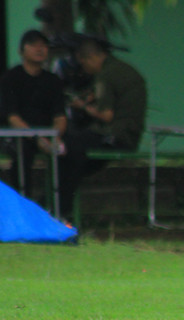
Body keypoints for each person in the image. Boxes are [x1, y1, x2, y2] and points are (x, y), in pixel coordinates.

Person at [60, 36, 147, 217]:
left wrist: (82, 106)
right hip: (130, 136)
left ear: (91, 58)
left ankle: (58, 207)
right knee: (75, 158)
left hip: (114, 135)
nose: (86, 70)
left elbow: (107, 115)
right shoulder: (123, 69)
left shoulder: (105, 75)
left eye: (84, 65)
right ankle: (60, 206)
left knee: (68, 148)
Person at [0, 30, 67, 202]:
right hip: (19, 135)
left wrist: (55, 137)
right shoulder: (10, 78)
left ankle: (59, 207)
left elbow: (60, 116)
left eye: (43, 45)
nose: (40, 49)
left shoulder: (53, 81)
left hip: (48, 134)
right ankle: (23, 204)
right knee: (22, 156)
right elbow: (12, 118)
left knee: (70, 152)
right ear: (22, 50)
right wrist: (37, 138)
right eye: (34, 45)